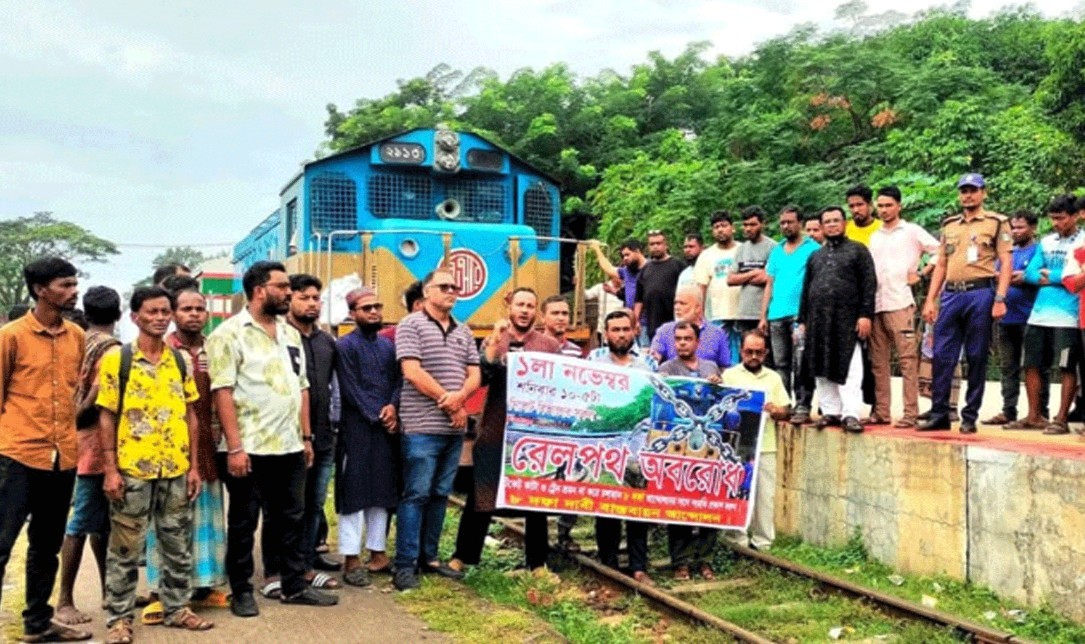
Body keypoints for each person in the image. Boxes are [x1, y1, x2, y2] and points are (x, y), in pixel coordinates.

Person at [208, 260, 337, 616]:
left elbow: (303, 388)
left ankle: (294, 585)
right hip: (248, 447)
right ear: (260, 290)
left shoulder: (290, 333)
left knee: (291, 517)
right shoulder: (227, 335)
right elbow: (222, 392)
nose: (288, 293)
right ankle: (242, 590)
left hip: (290, 445)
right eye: (282, 287)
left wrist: (307, 437)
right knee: (245, 521)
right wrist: (234, 447)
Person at [98, 286, 213, 641]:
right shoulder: (119, 360)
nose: (161, 318)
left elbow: (191, 414)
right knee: (125, 548)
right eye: (152, 312)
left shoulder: (178, 360)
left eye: (165, 311)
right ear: (135, 317)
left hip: (175, 468)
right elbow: (106, 415)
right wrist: (111, 469)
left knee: (178, 542)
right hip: (133, 470)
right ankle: (119, 618)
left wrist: (193, 466)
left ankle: (178, 608)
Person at [0, 258, 90, 643]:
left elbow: (76, 393)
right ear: (40, 290)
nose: (74, 291)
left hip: (63, 457)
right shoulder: (10, 337)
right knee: (1, 546)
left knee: (46, 547)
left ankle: (38, 623)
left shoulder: (77, 337)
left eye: (75, 284)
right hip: (17, 454)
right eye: (65, 285)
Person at [450, 288, 560, 575]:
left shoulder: (548, 345)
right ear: (510, 307)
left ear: (537, 311)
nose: (525, 310)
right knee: (481, 492)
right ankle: (463, 555)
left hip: (533, 434)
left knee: (535, 495)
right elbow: (481, 376)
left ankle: (537, 562)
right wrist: (494, 345)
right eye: (520, 305)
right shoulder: (495, 340)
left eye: (531, 306)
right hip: (496, 428)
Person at [393, 269, 481, 591]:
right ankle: (404, 564)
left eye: (455, 287)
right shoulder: (410, 325)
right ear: (427, 291)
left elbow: (474, 374)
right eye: (444, 286)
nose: (451, 291)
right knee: (415, 494)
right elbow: (412, 372)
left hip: (453, 430)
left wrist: (460, 399)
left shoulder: (464, 331)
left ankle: (429, 558)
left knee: (441, 494)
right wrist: (452, 403)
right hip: (421, 427)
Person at [920, 174, 1012, 433]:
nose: (967, 196)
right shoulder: (950, 225)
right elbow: (941, 264)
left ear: (984, 192)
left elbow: (1005, 262)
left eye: (973, 190)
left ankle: (969, 415)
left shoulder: (996, 222)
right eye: (963, 191)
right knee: (942, 355)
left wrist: (1000, 298)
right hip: (951, 294)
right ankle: (940, 412)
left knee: (976, 355)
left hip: (980, 293)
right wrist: (930, 299)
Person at [55, 287, 121, 627]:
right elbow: (99, 399)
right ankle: (64, 599)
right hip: (94, 447)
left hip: (85, 445)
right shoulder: (110, 350)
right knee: (81, 523)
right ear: (121, 314)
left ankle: (110, 591)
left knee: (102, 523)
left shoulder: (82, 341)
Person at [335, 288, 401, 587]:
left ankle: (378, 553)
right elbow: (349, 389)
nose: (374, 312)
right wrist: (378, 414)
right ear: (353, 313)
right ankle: (350, 558)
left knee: (382, 492)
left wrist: (392, 407)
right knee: (354, 493)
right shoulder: (345, 346)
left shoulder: (388, 347)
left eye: (377, 306)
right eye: (366, 308)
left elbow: (398, 381)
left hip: (385, 429)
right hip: (357, 429)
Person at [588, 309, 657, 585]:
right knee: (606, 509)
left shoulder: (646, 365)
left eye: (625, 329)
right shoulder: (593, 361)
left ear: (634, 331)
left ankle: (639, 566)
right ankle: (609, 563)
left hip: (638, 450)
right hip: (606, 448)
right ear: (606, 335)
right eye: (615, 330)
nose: (620, 334)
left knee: (637, 509)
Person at [1006, 196, 1083, 434]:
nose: (1056, 224)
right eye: (1052, 219)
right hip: (1038, 314)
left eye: (1060, 218)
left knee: (1066, 367)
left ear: (1076, 216)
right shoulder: (1047, 241)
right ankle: (1034, 415)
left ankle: (1060, 418)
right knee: (1031, 364)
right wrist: (1059, 277)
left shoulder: (1082, 241)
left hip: (1068, 315)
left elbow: (1077, 278)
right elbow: (1029, 273)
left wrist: (1053, 277)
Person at [284, 274, 343, 588]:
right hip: (289, 438)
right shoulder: (281, 337)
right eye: (304, 297)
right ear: (290, 299)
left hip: (323, 436)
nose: (311, 303)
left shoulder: (326, 342)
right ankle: (284, 565)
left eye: (315, 298)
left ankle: (306, 561)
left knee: (316, 502)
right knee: (292, 505)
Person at [865, 186, 940, 428]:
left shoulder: (911, 231)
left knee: (907, 359)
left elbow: (940, 251)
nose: (884, 210)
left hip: (900, 302)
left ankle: (910, 412)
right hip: (876, 303)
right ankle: (882, 411)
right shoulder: (874, 236)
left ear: (899, 206)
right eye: (881, 205)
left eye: (889, 205)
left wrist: (921, 272)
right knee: (878, 361)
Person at [798, 207, 877, 434]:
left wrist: (865, 315)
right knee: (820, 366)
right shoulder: (816, 256)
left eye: (836, 220)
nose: (832, 225)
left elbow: (869, 285)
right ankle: (830, 411)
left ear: (844, 223)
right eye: (827, 222)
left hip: (847, 319)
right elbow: (807, 289)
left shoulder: (858, 251)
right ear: (821, 226)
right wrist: (803, 319)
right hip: (818, 320)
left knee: (850, 366)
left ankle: (850, 413)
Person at [659, 321, 720, 580]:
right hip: (678, 443)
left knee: (709, 501)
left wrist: (718, 385)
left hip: (709, 442)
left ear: (697, 342)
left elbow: (722, 400)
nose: (682, 343)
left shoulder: (710, 368)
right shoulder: (667, 369)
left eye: (687, 339)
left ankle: (705, 559)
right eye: (679, 339)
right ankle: (680, 561)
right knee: (680, 500)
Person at [721, 330, 790, 551]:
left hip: (766, 444)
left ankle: (763, 543)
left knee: (765, 496)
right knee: (737, 493)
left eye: (758, 352)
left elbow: (786, 411)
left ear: (766, 353)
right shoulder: (729, 376)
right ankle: (736, 540)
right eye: (749, 352)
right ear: (740, 351)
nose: (753, 356)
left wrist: (776, 410)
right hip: (737, 446)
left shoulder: (773, 378)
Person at [984, 212, 1046, 426]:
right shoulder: (1006, 252)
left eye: (1021, 227)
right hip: (1005, 316)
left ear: (1033, 228)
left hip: (1031, 318)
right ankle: (1008, 410)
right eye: (1013, 227)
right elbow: (996, 275)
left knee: (1035, 365)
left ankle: (1040, 411)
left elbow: (1029, 276)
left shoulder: (1040, 250)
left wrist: (1011, 277)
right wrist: (1011, 277)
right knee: (1007, 366)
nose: (1016, 232)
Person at [758, 206, 819, 424]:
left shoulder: (813, 249)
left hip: (799, 316)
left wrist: (809, 317)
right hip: (776, 314)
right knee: (780, 364)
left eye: (790, 222)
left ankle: (803, 404)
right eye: (782, 223)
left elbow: (816, 284)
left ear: (800, 223)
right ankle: (783, 405)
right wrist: (763, 316)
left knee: (801, 362)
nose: (786, 226)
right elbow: (769, 284)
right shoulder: (777, 250)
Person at [727, 207, 777, 346]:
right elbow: (730, 280)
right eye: (745, 224)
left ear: (762, 224)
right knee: (746, 354)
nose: (748, 228)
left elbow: (768, 278)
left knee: (765, 355)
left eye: (753, 224)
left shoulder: (773, 247)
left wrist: (743, 277)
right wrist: (754, 273)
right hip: (744, 313)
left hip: (763, 313)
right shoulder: (742, 248)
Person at [695, 210, 742, 358]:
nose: (720, 229)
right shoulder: (706, 255)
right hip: (718, 315)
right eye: (716, 227)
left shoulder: (743, 250)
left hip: (743, 313)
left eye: (724, 225)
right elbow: (701, 288)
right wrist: (699, 315)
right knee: (719, 356)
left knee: (743, 354)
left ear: (732, 228)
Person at [650, 285, 730, 369]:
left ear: (698, 308)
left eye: (682, 303)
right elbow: (654, 358)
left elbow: (724, 367)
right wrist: (654, 358)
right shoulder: (665, 331)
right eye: (675, 303)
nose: (677, 307)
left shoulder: (717, 334)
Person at [634, 231, 687, 343]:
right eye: (652, 244)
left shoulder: (678, 265)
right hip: (652, 325)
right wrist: (635, 320)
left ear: (666, 245)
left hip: (675, 323)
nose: (655, 247)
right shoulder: (645, 269)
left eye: (658, 243)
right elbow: (639, 299)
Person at [591, 239, 647, 338]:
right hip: (630, 321)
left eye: (627, 254)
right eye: (623, 256)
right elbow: (609, 269)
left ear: (637, 251)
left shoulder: (651, 268)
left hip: (646, 323)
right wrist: (597, 250)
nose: (625, 258)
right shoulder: (627, 271)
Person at [583, 278, 624, 348]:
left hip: (620, 327)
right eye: (620, 277)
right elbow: (587, 295)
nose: (622, 279)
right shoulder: (601, 287)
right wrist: (579, 284)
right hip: (603, 328)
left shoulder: (626, 289)